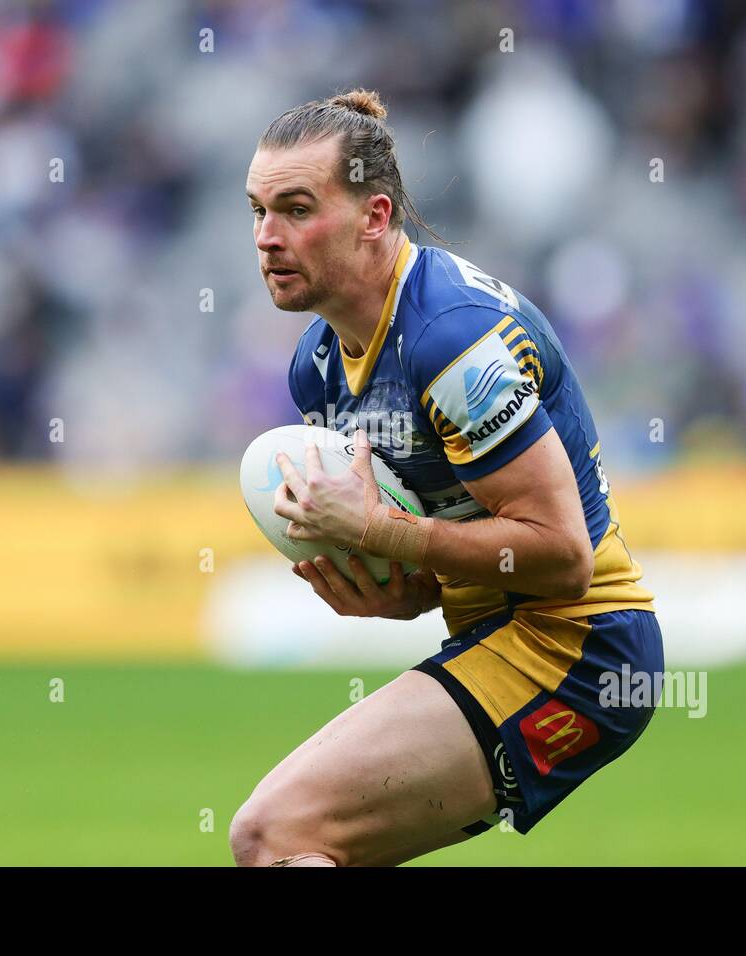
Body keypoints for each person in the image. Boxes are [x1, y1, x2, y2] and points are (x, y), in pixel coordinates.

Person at [231, 89, 662, 866]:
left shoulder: (451, 342)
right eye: (258, 211)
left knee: (275, 833)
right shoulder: (319, 367)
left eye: (296, 208)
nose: (267, 237)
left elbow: (563, 557)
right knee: (292, 840)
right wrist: (401, 594)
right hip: (503, 632)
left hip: (580, 648)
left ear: (374, 215)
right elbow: (454, 545)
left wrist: (376, 531)